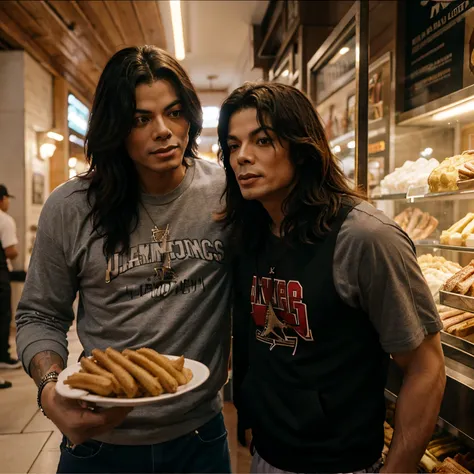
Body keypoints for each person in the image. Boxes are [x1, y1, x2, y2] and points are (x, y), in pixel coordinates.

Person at [16, 46, 232, 473]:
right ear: (115, 127)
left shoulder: (228, 194)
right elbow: (39, 314)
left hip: (199, 439)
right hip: (99, 442)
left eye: (174, 113)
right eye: (141, 119)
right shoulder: (70, 207)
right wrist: (49, 392)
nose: (164, 131)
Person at [217, 82, 446, 474]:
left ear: (302, 148)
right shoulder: (249, 233)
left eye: (263, 140)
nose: (243, 157)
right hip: (266, 458)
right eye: (234, 145)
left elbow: (426, 368)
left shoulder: (365, 237)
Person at [0, 184, 20, 373]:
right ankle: (3, 356)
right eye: (6, 198)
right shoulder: (4, 220)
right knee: (3, 315)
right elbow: (10, 250)